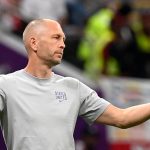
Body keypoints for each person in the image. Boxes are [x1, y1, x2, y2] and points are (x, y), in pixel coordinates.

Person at [0, 19, 149, 150]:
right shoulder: (6, 85)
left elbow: (122, 118)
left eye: (63, 39)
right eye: (56, 38)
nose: (63, 45)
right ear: (34, 43)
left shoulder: (73, 87)